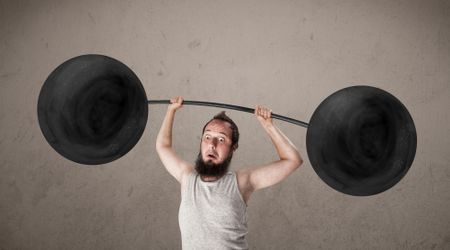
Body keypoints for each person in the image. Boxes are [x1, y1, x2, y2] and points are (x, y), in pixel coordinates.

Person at [156, 96, 303, 250]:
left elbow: (292, 160)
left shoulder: (241, 182)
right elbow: (163, 146)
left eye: (221, 139)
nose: (212, 145)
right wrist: (170, 111)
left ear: (233, 148)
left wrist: (268, 126)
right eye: (207, 137)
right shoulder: (187, 178)